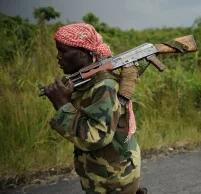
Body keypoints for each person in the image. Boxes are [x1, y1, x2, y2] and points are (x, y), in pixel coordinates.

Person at [44, 22, 146, 194]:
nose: (58, 57)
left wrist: (62, 106)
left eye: (63, 50)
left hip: (114, 181)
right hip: (102, 177)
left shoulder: (103, 85)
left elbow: (96, 137)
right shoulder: (87, 82)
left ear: (83, 53)